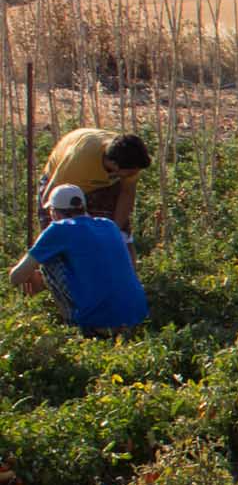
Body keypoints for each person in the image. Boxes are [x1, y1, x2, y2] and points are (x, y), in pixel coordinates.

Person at [8, 184, 147, 335]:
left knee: (47, 260)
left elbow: (16, 277)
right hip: (136, 317)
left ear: (53, 212)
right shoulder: (109, 225)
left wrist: (32, 275)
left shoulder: (58, 229)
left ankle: (73, 326)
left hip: (99, 321)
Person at [38, 128, 151, 240]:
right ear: (114, 164)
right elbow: (48, 201)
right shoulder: (79, 161)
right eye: (132, 172)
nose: (134, 174)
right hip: (63, 181)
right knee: (60, 236)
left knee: (121, 236)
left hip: (103, 183)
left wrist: (113, 233)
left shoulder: (130, 158)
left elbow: (126, 195)